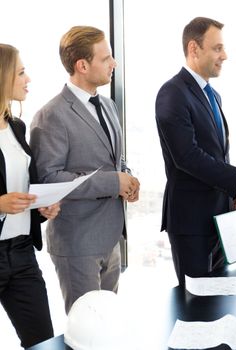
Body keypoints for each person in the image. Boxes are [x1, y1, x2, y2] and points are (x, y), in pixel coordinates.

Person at [29, 26, 140, 314]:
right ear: (82, 65)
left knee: (108, 326)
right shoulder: (50, 115)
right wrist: (112, 182)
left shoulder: (109, 105)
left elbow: (115, 160)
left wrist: (128, 178)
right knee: (87, 331)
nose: (113, 64)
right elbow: (49, 179)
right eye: (106, 59)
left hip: (112, 236)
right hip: (77, 242)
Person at [155, 17, 236, 287]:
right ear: (194, 49)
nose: (224, 56)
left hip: (220, 222)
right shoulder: (173, 93)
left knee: (218, 303)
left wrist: (234, 195)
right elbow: (187, 157)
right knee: (195, 305)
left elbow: (216, 157)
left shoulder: (212, 95)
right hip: (191, 223)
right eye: (217, 48)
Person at [0, 43, 60, 348]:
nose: (28, 79)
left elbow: (23, 185)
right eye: (21, 72)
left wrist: (42, 208)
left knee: (42, 342)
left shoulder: (17, 127)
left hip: (22, 253)